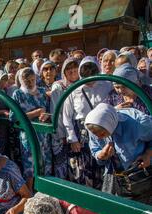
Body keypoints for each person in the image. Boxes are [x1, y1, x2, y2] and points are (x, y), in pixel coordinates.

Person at [85, 103, 152, 214]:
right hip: (114, 171)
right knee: (114, 204)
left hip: (139, 170)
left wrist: (148, 154)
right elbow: (95, 148)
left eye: (102, 133)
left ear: (110, 124)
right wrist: (101, 155)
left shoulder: (137, 123)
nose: (99, 136)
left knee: (142, 200)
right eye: (96, 134)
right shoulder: (94, 125)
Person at [62, 56, 112, 188]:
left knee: (102, 165)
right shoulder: (74, 90)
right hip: (82, 134)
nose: (89, 76)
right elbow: (66, 116)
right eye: (85, 72)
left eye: (92, 71)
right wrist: (72, 138)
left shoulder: (107, 85)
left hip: (103, 131)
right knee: (83, 169)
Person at [11, 68, 53, 190]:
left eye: (32, 80)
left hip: (44, 137)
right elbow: (14, 118)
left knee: (45, 166)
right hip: (28, 137)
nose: (30, 83)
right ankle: (29, 195)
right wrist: (36, 113)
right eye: (27, 81)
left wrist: (46, 115)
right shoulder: (18, 94)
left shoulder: (41, 91)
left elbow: (49, 111)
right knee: (30, 168)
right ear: (21, 80)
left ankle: (46, 194)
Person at [49, 58, 80, 179]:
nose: (72, 70)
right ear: (64, 71)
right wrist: (62, 135)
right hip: (63, 134)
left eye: (74, 67)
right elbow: (56, 112)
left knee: (78, 167)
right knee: (62, 167)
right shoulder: (58, 86)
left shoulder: (82, 83)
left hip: (79, 132)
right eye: (68, 68)